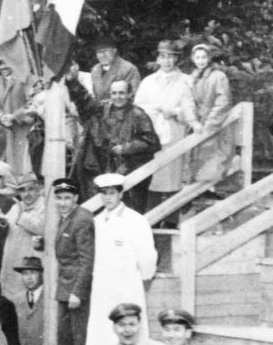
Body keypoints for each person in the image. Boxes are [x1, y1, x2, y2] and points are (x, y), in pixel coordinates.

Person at [85, 174, 158, 345]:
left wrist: (145, 277)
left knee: (128, 335)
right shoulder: (97, 221)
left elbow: (147, 256)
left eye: (111, 193)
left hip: (126, 286)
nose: (107, 197)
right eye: (104, 193)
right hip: (103, 287)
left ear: (121, 194)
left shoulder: (135, 221)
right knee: (104, 337)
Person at [66, 71, 160, 210]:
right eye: (114, 93)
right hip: (103, 168)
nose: (118, 97)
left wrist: (127, 148)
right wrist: (72, 81)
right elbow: (84, 100)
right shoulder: (102, 110)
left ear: (129, 95)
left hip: (129, 170)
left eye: (121, 93)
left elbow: (152, 142)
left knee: (129, 210)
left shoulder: (139, 115)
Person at [134, 41, 199, 215]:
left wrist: (176, 112)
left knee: (173, 174)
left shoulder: (186, 80)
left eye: (171, 56)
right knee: (154, 174)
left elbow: (194, 108)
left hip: (176, 130)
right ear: (158, 59)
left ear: (176, 58)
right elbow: (137, 108)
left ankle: (173, 218)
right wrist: (152, 112)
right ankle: (152, 217)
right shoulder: (148, 81)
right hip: (152, 131)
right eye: (163, 56)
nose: (167, 61)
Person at [52, 178, 95, 345]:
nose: (62, 203)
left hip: (76, 288)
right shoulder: (67, 217)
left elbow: (87, 260)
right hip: (65, 285)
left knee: (79, 336)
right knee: (65, 336)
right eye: (59, 198)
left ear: (76, 198)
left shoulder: (82, 219)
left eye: (67, 198)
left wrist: (78, 292)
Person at [189, 42, 234, 183]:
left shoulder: (218, 76)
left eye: (204, 57)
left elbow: (223, 101)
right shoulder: (193, 76)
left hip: (214, 123)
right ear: (193, 59)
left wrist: (210, 124)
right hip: (197, 122)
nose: (201, 61)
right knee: (196, 156)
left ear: (209, 58)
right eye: (198, 57)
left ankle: (211, 187)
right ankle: (199, 189)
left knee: (213, 156)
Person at [0, 173, 45, 299]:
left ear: (39, 190)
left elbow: (40, 228)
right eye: (22, 190)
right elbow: (4, 230)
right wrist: (2, 224)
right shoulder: (16, 207)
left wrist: (21, 215)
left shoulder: (45, 207)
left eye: (30, 189)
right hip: (12, 263)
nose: (27, 194)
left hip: (30, 267)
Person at [9, 256, 46, 345]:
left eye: (33, 273)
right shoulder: (15, 300)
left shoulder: (49, 300)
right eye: (25, 273)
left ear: (41, 274)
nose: (29, 277)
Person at [89, 35, 141, 104]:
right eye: (99, 52)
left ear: (114, 51)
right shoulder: (95, 70)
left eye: (105, 51)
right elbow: (95, 95)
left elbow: (134, 96)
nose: (102, 55)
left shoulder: (128, 69)